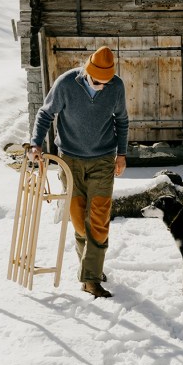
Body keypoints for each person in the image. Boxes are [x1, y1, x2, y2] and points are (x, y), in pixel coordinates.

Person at [30, 46, 129, 299]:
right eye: (97, 82)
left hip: (103, 160)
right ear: (87, 72)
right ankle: (90, 266)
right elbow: (45, 113)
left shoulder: (116, 87)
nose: (102, 87)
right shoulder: (66, 84)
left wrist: (121, 154)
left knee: (98, 218)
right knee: (78, 219)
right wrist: (35, 143)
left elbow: (122, 120)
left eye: (106, 83)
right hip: (70, 161)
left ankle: (91, 279)